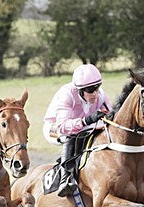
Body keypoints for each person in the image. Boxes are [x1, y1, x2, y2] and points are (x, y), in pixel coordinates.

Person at [43, 64, 112, 197]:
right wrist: (87, 120)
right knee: (70, 135)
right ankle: (65, 179)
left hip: (82, 126)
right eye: (90, 90)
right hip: (54, 127)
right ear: (79, 90)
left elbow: (111, 115)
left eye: (97, 88)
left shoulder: (100, 95)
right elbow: (62, 126)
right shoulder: (67, 94)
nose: (95, 93)